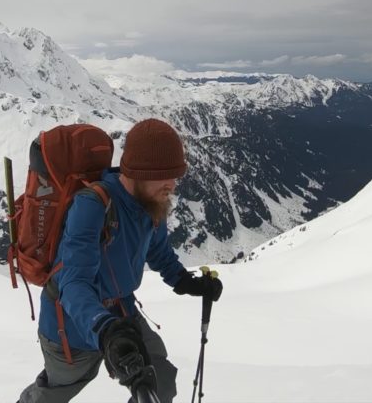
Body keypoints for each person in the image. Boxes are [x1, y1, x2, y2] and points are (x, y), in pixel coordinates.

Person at [19, 118, 224, 403]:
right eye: (165, 176)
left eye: (176, 175)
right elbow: (74, 283)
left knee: (159, 381)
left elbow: (158, 250)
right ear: (138, 173)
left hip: (121, 313)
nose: (173, 185)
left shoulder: (151, 202)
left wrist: (184, 281)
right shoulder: (92, 205)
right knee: (53, 393)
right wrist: (105, 330)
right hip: (72, 324)